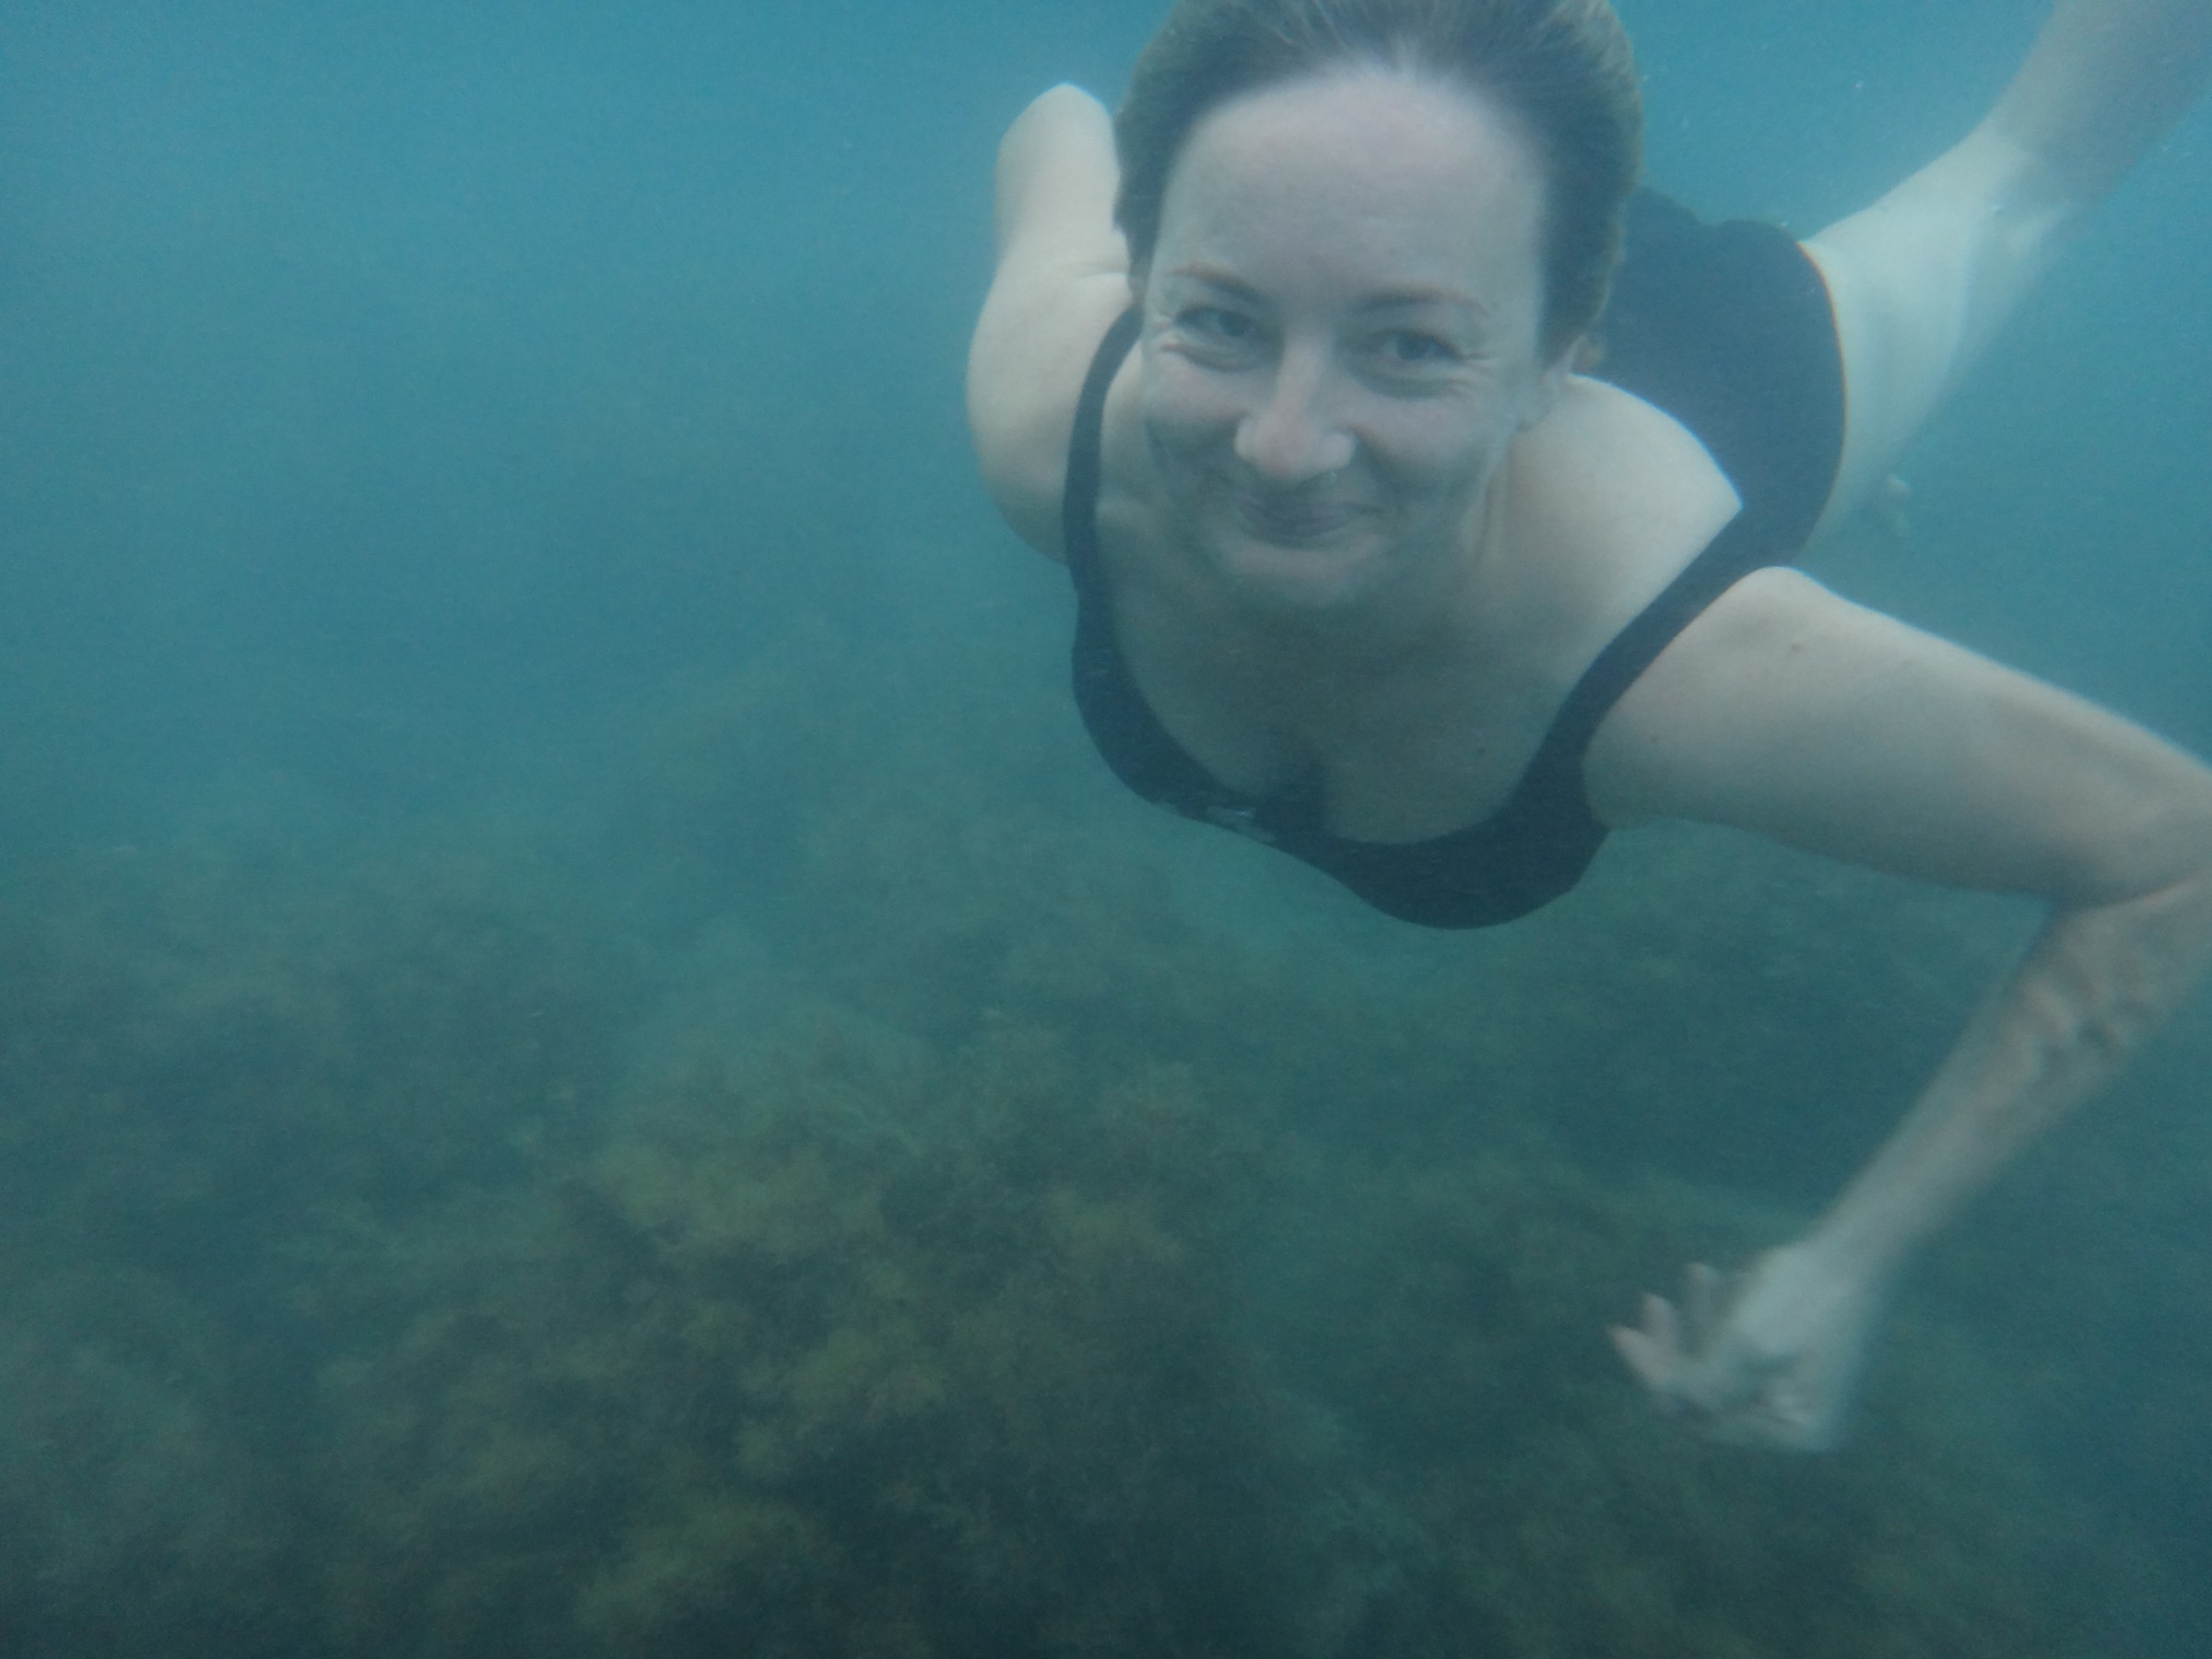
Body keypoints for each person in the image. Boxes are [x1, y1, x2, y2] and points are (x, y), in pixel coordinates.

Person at [966, 0, 2212, 1451]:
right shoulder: (1051, 426)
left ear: (1567, 348)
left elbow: (2170, 852)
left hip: (1745, 376)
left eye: (1405, 349)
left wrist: (1848, 1263)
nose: (1284, 448)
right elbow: (1058, 122)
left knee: (2027, 173)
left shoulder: (1676, 667)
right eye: (1224, 318)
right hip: (1472, 273)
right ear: (1143, 275)